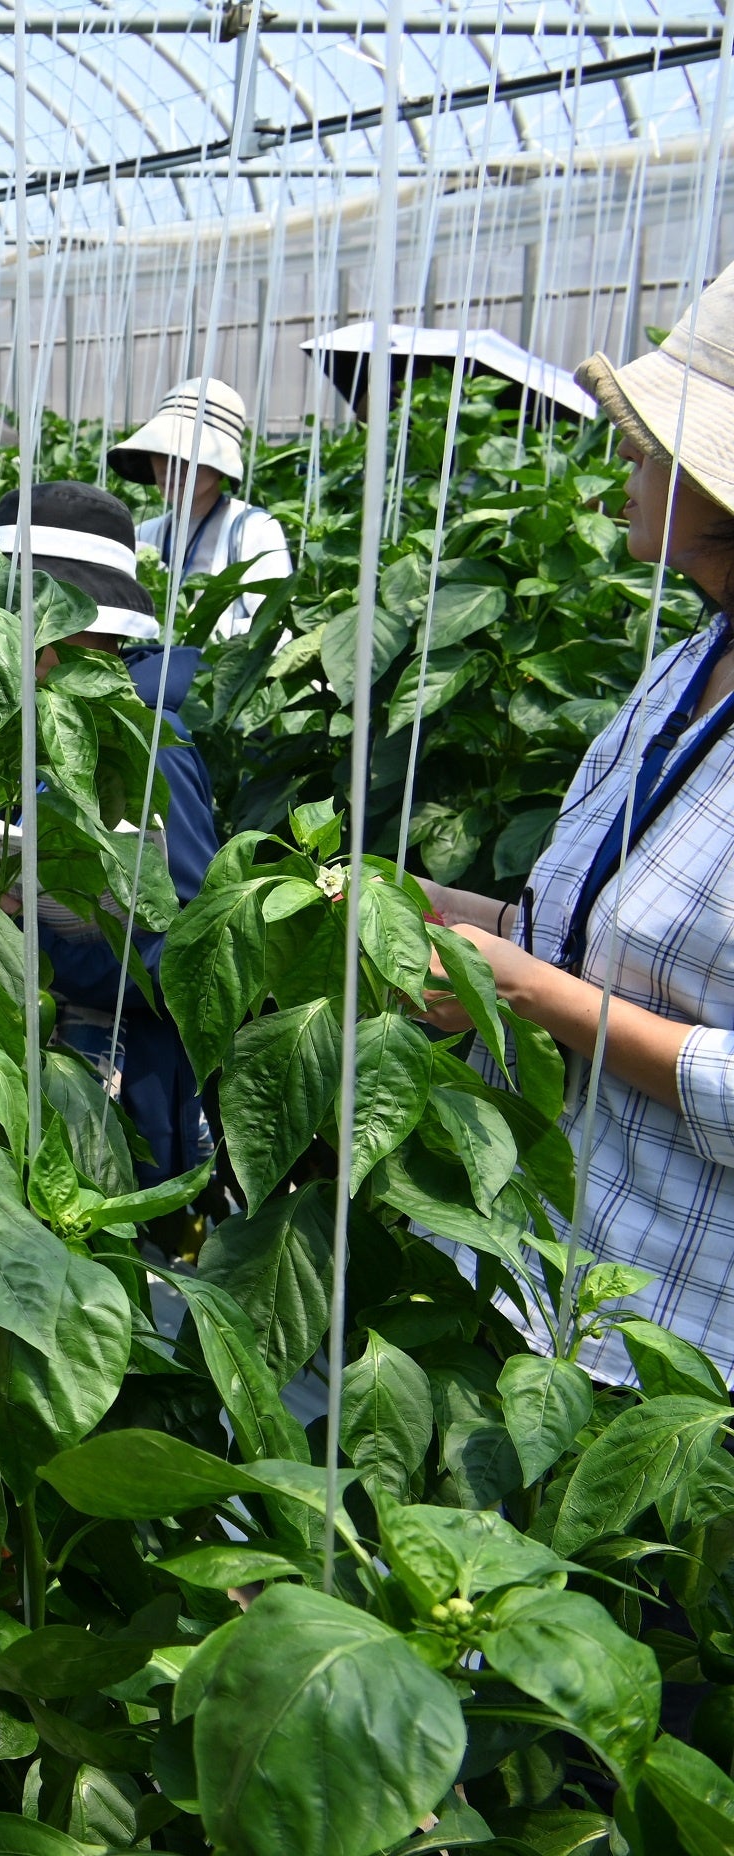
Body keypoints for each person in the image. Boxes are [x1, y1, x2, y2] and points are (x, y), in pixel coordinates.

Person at [423, 262, 734, 1371]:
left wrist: (535, 994)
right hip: (522, 1257)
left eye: (657, 445)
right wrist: (450, 914)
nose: (630, 464)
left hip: (665, 1345)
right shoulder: (691, 663)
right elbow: (609, 931)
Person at [0, 481, 223, 1185]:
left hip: (113, 1092)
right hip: (10, 1062)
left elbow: (189, 959)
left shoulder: (143, 745)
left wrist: (24, 936)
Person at [109, 377, 294, 642]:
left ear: (220, 466)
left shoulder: (253, 530)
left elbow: (275, 629)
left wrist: (206, 628)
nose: (170, 466)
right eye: (161, 451)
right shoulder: (143, 535)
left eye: (187, 454)